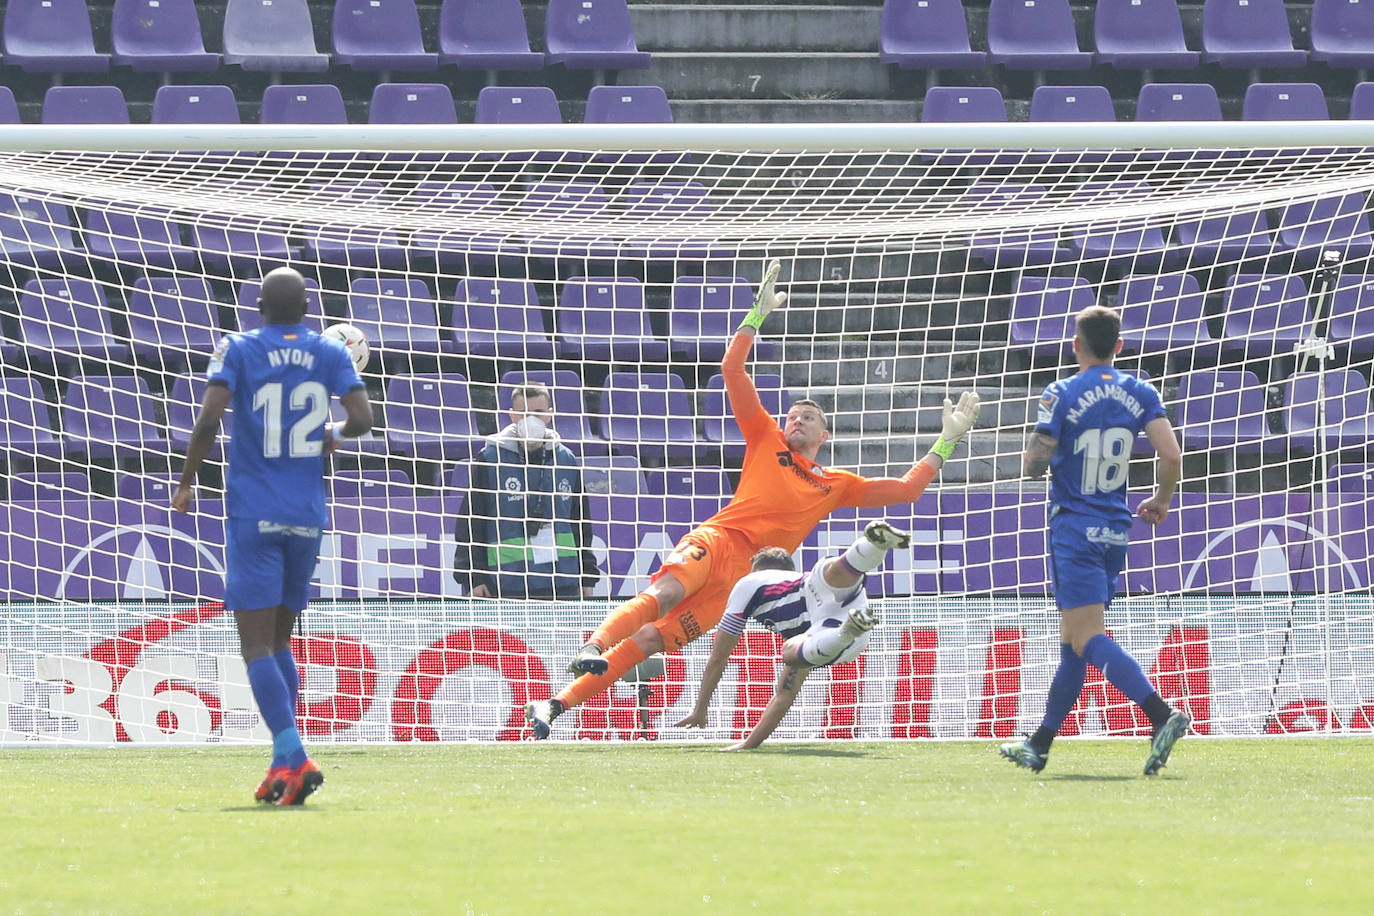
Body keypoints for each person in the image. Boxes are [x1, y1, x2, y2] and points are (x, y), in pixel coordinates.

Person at [524, 260, 981, 738]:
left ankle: (554, 706)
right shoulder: (765, 438)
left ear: (824, 434)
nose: (796, 421)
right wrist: (754, 317)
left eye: (807, 417)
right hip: (719, 538)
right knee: (666, 593)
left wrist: (946, 440)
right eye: (792, 415)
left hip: (743, 582)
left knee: (650, 639)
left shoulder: (835, 483)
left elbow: (907, 490)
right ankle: (594, 646)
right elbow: (731, 368)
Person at [172, 266, 371, 806]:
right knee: (282, 639)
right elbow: (361, 419)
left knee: (255, 644)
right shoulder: (329, 354)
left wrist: (188, 480)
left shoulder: (236, 347)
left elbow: (211, 419)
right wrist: (324, 433)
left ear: (258, 306)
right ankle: (283, 765)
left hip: (253, 512)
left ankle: (296, 754)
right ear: (307, 309)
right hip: (306, 514)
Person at [999, 305, 1189, 777]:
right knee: (1073, 644)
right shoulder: (1141, 390)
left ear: (1076, 346)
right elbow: (1170, 453)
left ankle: (1161, 715)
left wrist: (1035, 457)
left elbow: (1036, 461)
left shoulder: (1060, 391)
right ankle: (1039, 744)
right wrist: (1161, 501)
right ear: (1118, 347)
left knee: (1086, 637)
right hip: (1114, 529)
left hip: (1074, 528)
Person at [676, 519, 912, 750]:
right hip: (830, 607)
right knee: (831, 572)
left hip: (836, 635)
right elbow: (784, 695)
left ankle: (846, 629)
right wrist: (748, 745)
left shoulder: (749, 582)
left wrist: (701, 708)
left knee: (791, 653)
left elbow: (719, 657)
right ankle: (874, 546)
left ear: (756, 568)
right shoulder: (798, 579)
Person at [451, 382, 599, 599]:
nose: (531, 420)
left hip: (562, 584)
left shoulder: (567, 461)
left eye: (538, 413)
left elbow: (581, 524)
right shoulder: (491, 460)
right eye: (524, 413)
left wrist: (587, 576)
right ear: (512, 416)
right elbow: (471, 523)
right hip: (505, 585)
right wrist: (474, 577)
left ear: (549, 415)